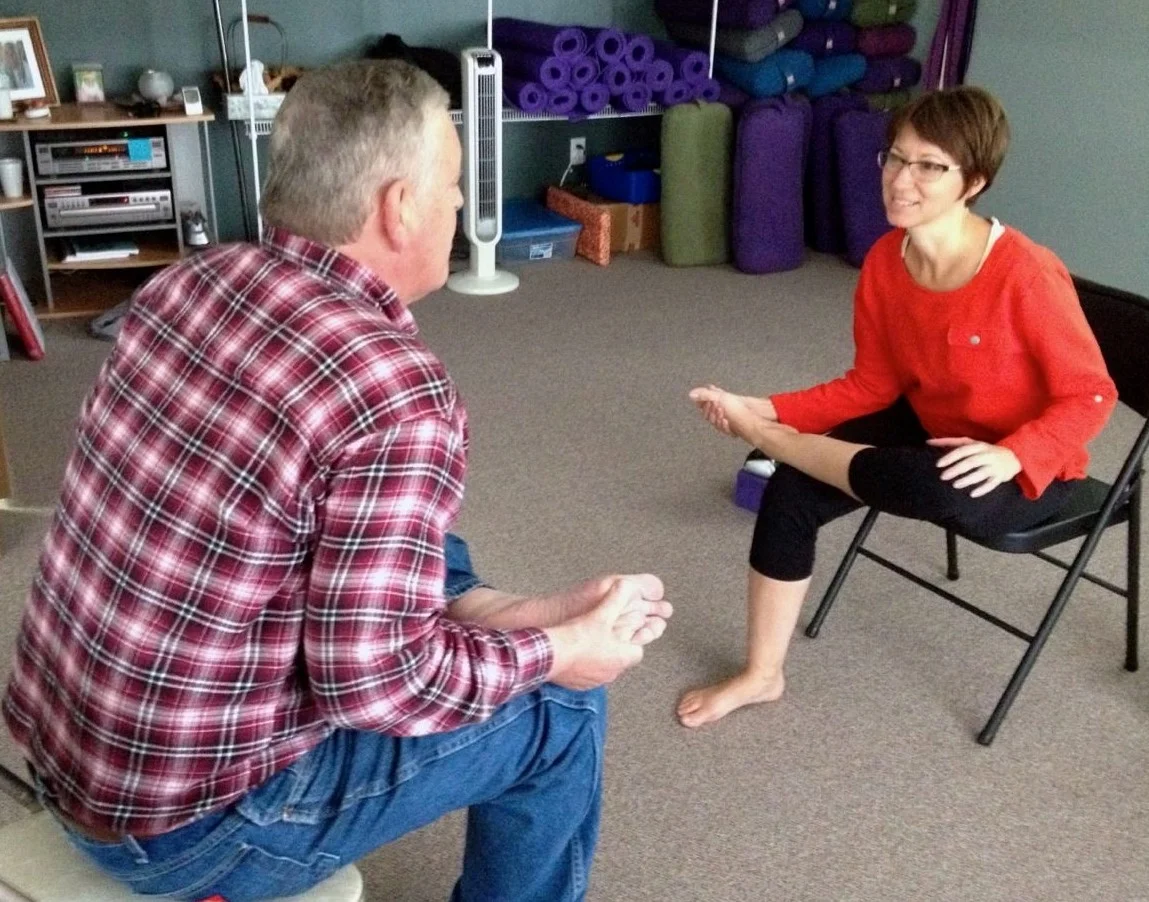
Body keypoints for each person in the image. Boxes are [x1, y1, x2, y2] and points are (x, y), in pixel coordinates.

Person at [2, 60, 671, 901]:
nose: (461, 206)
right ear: (399, 207)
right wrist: (560, 651)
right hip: (186, 834)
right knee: (563, 709)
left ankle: (481, 615)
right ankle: (511, 642)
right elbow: (375, 686)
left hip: (63, 758)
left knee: (411, 527)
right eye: (455, 186)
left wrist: (503, 624)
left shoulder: (183, 283)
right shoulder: (394, 393)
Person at [678, 85, 1116, 729]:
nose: (899, 180)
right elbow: (871, 385)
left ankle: (769, 441)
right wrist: (765, 404)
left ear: (975, 181)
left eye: (929, 166)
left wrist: (1012, 453)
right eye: (894, 157)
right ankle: (761, 675)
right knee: (792, 489)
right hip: (935, 422)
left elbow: (1091, 394)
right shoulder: (888, 259)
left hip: (1022, 464)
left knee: (923, 482)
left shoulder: (1025, 271)